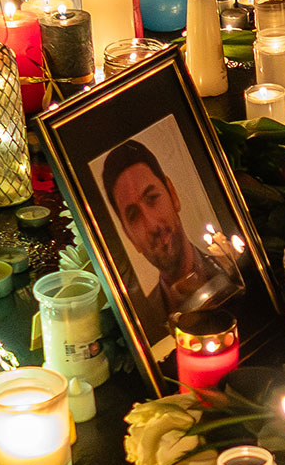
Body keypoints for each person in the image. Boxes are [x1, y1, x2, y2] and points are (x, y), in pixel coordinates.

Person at [102, 138, 241, 342]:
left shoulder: (233, 271)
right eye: (133, 216)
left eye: (152, 198)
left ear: (172, 194)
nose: (151, 224)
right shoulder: (146, 325)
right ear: (128, 235)